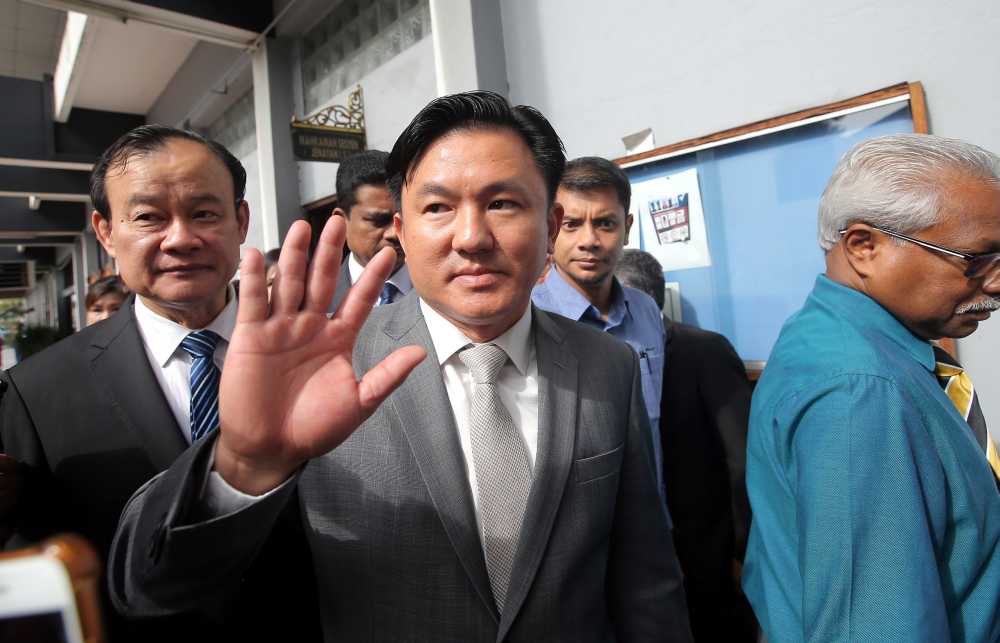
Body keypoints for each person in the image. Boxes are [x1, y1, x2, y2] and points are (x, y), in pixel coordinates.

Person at [109, 91, 693, 642]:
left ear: (549, 224)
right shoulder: (326, 369)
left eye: (503, 203)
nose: (472, 238)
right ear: (401, 232)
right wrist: (245, 464)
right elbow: (152, 588)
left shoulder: (606, 364)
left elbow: (645, 579)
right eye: (438, 207)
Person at [0, 125, 320, 642]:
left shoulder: (320, 357)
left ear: (241, 221)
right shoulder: (37, 393)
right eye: (149, 217)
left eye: (204, 213)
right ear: (105, 232)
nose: (181, 239)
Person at [743, 133, 1000, 641]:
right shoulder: (861, 391)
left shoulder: (840, 341)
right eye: (976, 260)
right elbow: (877, 624)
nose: (995, 283)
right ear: (865, 246)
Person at [616, 249, 757, 642]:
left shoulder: (704, 350)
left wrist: (744, 553)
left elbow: (741, 458)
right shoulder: (594, 357)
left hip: (706, 560)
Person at [532, 157, 667, 496]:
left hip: (652, 516)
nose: (589, 240)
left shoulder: (646, 310)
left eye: (606, 224)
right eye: (572, 224)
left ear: (628, 227)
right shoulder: (526, 316)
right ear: (550, 228)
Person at [328, 149, 411, 310]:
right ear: (341, 222)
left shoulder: (446, 293)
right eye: (378, 221)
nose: (395, 233)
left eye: (403, 219)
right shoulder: (313, 303)